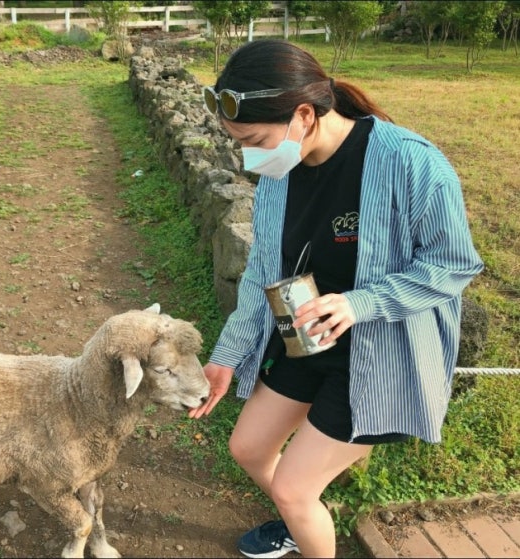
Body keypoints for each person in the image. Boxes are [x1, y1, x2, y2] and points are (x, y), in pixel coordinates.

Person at [188, 39, 483, 559]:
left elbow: (453, 264)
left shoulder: (409, 163)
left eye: (254, 140)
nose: (249, 157)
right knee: (249, 449)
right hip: (307, 341)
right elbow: (263, 271)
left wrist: (359, 303)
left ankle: (301, 513)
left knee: (293, 488)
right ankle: (302, 520)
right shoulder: (281, 172)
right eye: (239, 144)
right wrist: (226, 356)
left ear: (304, 115)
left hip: (383, 356)